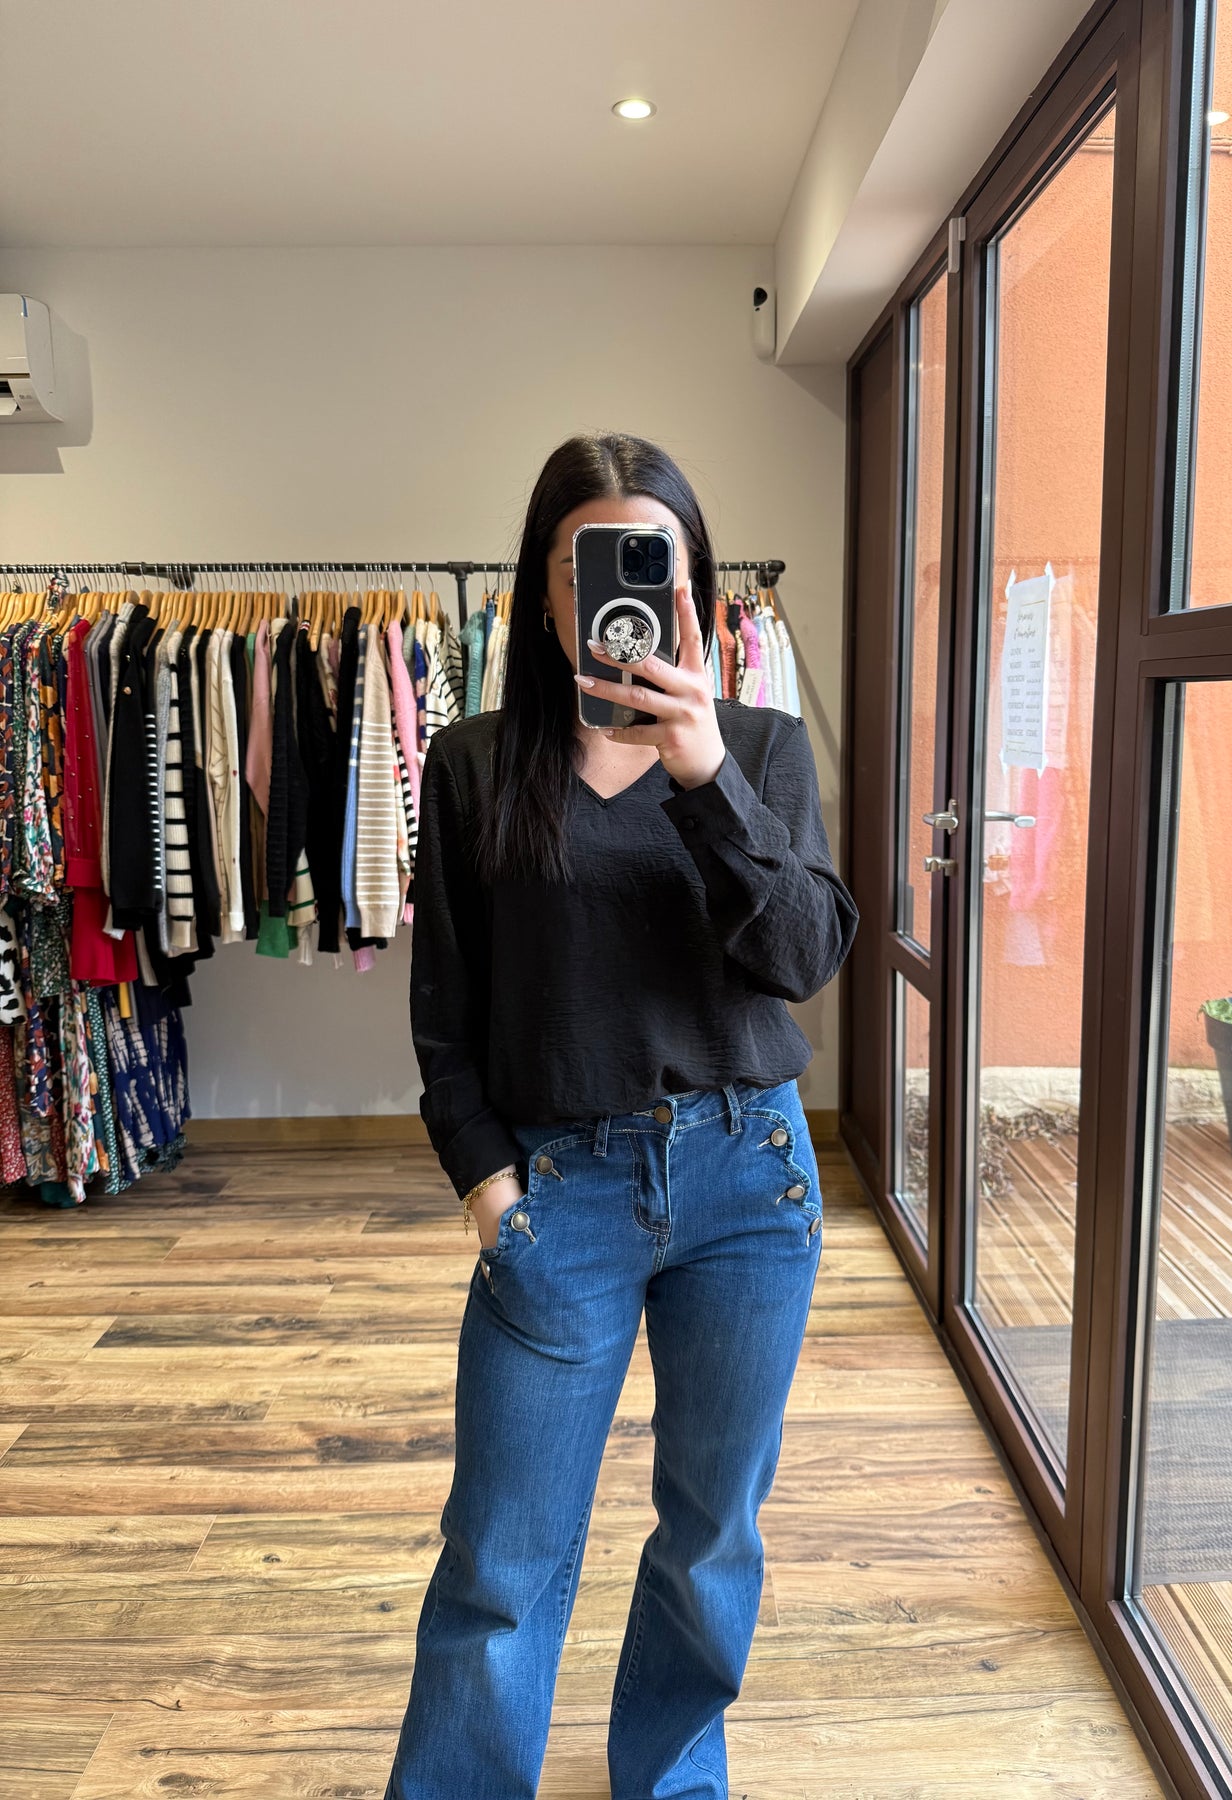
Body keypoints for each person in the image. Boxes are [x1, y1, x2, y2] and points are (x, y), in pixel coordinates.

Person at [386, 431, 858, 1799]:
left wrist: (704, 775)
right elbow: (445, 1011)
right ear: (546, 594)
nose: (622, 589)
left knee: (711, 1533)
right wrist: (492, 1191)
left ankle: (672, 1779)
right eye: (586, 561)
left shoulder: (758, 749)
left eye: (656, 559)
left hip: (748, 1185)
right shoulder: (475, 764)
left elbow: (804, 955)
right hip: (562, 1195)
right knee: (501, 1553)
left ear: (696, 586)